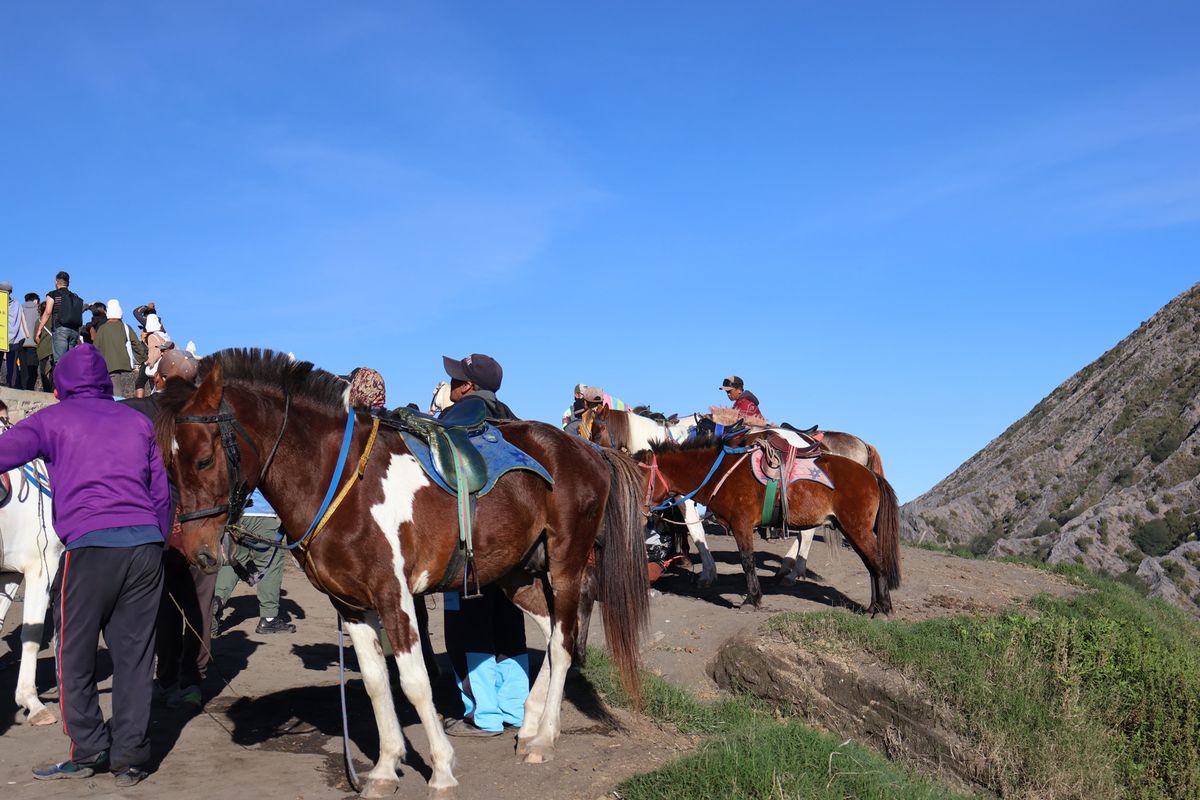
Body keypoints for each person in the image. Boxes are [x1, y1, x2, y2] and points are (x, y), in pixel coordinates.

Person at [0, 344, 170, 787]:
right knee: (135, 656)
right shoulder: (138, 421)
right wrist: (157, 540)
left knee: (73, 655)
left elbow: (3, 454)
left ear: (61, 386)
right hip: (146, 545)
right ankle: (131, 759)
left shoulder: (50, 420)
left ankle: (91, 749)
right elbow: (161, 493)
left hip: (91, 548)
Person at [438, 352, 529, 737]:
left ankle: (484, 713)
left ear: (469, 386)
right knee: (508, 620)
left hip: (470, 540)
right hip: (511, 542)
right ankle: (514, 706)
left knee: (467, 625)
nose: (451, 386)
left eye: (456, 380)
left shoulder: (459, 417)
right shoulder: (512, 418)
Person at [124, 347, 215, 709]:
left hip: (155, 523)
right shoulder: (208, 417)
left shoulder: (135, 411)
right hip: (201, 521)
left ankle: (167, 677)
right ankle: (192, 679)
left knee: (162, 602)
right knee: (200, 603)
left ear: (158, 378)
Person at [211, 488, 296, 635]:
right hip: (262, 514)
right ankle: (269, 619)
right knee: (271, 560)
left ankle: (217, 601)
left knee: (233, 559)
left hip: (235, 514)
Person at [93, 299, 147, 398]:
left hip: (110, 369)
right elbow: (136, 345)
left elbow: (95, 350)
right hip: (127, 367)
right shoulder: (126, 327)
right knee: (128, 398)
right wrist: (144, 359)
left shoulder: (102, 329)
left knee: (116, 397)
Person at [34, 270, 85, 364]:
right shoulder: (75, 296)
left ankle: (60, 379)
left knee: (60, 362)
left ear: (56, 281)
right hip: (74, 331)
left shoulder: (53, 294)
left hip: (60, 329)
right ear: (68, 283)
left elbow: (48, 312)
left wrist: (39, 329)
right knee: (71, 362)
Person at [134, 313, 171, 398]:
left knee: (140, 382)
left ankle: (139, 401)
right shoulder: (164, 334)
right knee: (156, 383)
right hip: (164, 362)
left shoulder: (152, 336)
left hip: (154, 362)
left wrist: (150, 362)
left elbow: (155, 351)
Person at [15, 292, 41, 390]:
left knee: (23, 369)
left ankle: (23, 389)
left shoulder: (19, 308)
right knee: (33, 369)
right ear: (35, 300)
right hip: (34, 344)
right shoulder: (39, 310)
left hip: (20, 343)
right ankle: (29, 390)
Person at [0, 281, 19, 387]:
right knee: (11, 363)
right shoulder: (16, 304)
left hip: (1, 337)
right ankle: (9, 382)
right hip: (13, 338)